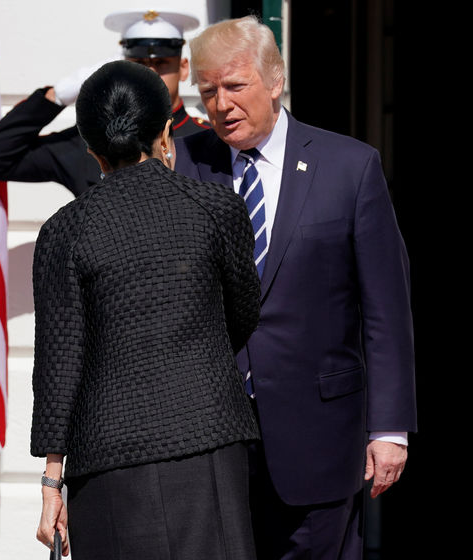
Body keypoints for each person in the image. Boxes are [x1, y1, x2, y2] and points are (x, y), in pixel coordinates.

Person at [174, 16, 417, 559]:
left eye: (235, 86)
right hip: (214, 439)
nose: (220, 104)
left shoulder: (350, 167)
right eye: (208, 90)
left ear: (275, 79)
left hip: (321, 434)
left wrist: (391, 428)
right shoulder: (185, 163)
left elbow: (385, 309)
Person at [31, 60, 261, 559]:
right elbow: (241, 317)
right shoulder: (217, 208)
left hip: (107, 455)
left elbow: (58, 365)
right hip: (209, 439)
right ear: (164, 130)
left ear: (91, 148)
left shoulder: (64, 231)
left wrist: (52, 483)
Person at [0, 9, 210, 197]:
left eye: (161, 63)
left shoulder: (207, 140)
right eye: (138, 62)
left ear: (183, 68)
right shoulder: (88, 140)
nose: (149, 72)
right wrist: (57, 96)